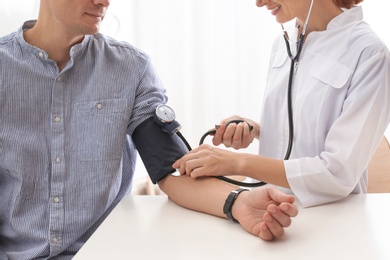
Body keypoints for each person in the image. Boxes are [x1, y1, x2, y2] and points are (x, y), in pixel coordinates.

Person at [0, 0, 299, 259]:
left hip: (105, 253)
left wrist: (239, 202)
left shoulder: (130, 67)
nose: (104, 1)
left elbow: (170, 170)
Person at [173, 0, 390, 208]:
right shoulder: (283, 44)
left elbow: (338, 174)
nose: (259, 2)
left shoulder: (369, 53)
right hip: (263, 207)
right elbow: (299, 133)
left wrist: (237, 162)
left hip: (330, 220)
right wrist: (256, 129)